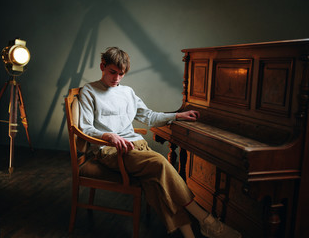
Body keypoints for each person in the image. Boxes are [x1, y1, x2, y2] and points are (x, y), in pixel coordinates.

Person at [78, 47, 241, 238]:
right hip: (110, 151)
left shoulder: (128, 92)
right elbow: (84, 128)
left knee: (156, 183)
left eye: (121, 74)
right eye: (112, 72)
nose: (116, 78)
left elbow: (149, 116)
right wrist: (109, 136)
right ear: (102, 67)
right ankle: (207, 220)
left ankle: (191, 235)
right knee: (160, 163)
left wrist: (177, 115)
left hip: (137, 147)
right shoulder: (89, 91)